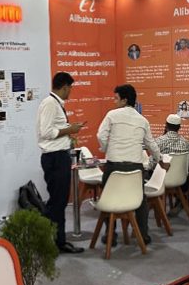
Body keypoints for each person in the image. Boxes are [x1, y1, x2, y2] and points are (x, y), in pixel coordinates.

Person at [97, 84, 166, 245]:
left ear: (124, 100)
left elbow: (101, 136)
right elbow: (151, 144)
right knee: (140, 199)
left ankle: (110, 234)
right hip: (135, 168)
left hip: (113, 166)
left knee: (107, 197)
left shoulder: (112, 115)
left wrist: (106, 149)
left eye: (116, 98)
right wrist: (160, 160)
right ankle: (143, 234)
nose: (114, 101)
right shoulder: (142, 120)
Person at [36, 72, 86, 254]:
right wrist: (69, 129)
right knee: (57, 202)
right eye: (70, 88)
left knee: (59, 201)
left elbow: (53, 130)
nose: (70, 91)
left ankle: (58, 240)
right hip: (55, 158)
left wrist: (68, 132)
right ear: (65, 87)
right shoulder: (50, 104)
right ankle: (54, 241)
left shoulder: (54, 103)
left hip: (58, 156)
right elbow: (46, 132)